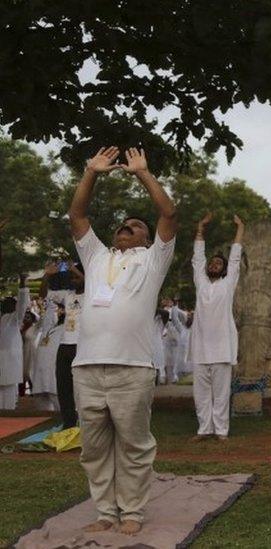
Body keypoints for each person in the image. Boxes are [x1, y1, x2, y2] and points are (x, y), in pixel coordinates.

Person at [68, 146, 177, 534]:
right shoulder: (97, 257)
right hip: (87, 367)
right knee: (94, 448)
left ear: (148, 240)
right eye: (123, 224)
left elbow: (168, 213)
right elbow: (77, 215)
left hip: (133, 368)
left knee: (134, 445)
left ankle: (131, 511)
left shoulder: (153, 260)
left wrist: (143, 174)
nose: (127, 226)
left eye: (135, 225)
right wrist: (91, 172)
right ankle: (105, 513)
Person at [188, 212, 244, 442]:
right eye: (212, 262)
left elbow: (235, 258)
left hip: (222, 346)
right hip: (200, 346)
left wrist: (240, 229)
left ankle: (221, 431)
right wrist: (200, 229)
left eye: (219, 263)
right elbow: (197, 258)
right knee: (201, 393)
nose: (214, 264)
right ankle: (204, 429)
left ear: (223, 270)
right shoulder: (200, 282)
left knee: (221, 394)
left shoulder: (228, 284)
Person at [46, 260, 86, 427]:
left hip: (83, 346)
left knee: (83, 387)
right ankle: (68, 423)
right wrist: (48, 275)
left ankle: (86, 422)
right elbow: (46, 293)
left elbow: (89, 281)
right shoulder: (67, 295)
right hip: (65, 345)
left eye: (75, 276)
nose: (72, 279)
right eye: (70, 277)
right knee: (63, 386)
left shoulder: (91, 293)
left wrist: (75, 270)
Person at [31, 263, 68, 411]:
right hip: (40, 374)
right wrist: (47, 275)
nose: (58, 310)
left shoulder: (68, 325)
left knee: (61, 407)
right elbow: (44, 294)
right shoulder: (48, 321)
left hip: (55, 376)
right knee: (41, 410)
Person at [1, 267, 29, 410]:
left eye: (10, 302)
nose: (6, 303)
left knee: (9, 407)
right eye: (5, 302)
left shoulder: (14, 319)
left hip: (10, 369)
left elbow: (22, 304)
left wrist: (23, 284)